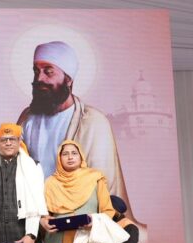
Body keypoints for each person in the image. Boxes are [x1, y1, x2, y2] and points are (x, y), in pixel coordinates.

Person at [17, 41, 140, 231]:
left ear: (68, 79)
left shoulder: (94, 122)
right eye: (36, 71)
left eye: (48, 72)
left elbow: (103, 185)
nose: (39, 78)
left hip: (79, 219)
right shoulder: (27, 118)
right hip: (37, 219)